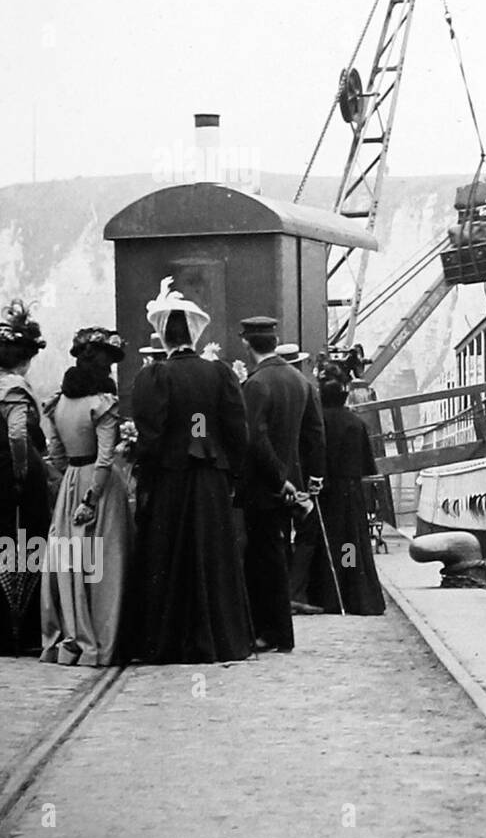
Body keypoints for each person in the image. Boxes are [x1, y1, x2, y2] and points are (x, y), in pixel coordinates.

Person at [129, 279, 255, 664]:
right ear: (196, 337)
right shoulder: (220, 374)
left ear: (164, 337)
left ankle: (169, 639)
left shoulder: (154, 377)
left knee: (168, 556)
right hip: (211, 479)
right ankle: (219, 636)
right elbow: (237, 431)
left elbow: (151, 432)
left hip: (171, 478)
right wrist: (230, 471)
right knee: (214, 555)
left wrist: (143, 469)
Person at [40, 327, 134, 666]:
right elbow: (106, 457)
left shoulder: (57, 403)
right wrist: (90, 498)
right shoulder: (102, 404)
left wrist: (71, 487)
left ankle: (69, 641)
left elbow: (56, 454)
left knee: (72, 563)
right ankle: (103, 638)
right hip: (101, 488)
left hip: (70, 483)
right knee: (105, 563)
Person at [237, 316, 325, 650]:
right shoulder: (299, 381)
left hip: (265, 487)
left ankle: (268, 632)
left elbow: (255, 439)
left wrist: (279, 479)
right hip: (294, 485)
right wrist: (312, 479)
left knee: (262, 559)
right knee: (278, 552)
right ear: (274, 342)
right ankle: (279, 633)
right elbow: (315, 433)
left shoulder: (256, 384)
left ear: (247, 344)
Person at [299, 366, 385, 615]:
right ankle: (351, 590)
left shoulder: (317, 422)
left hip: (325, 490)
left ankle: (327, 594)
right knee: (350, 542)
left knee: (325, 543)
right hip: (350, 490)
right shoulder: (356, 423)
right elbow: (367, 464)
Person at [0, 301, 51, 653]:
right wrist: (21, 472)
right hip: (13, 476)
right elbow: (18, 433)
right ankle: (23, 629)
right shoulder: (16, 387)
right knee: (26, 545)